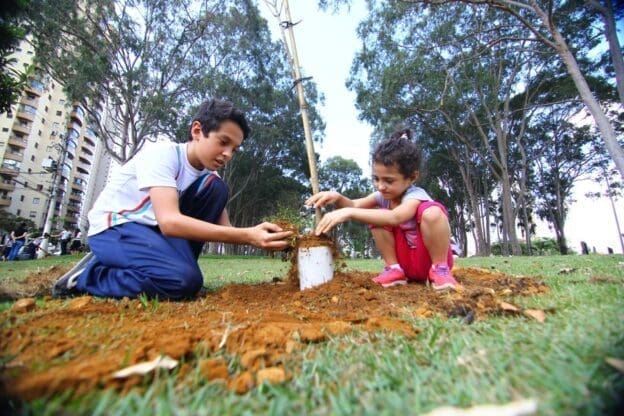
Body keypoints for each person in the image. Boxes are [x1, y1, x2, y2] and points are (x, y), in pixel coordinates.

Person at [52, 99, 293, 299]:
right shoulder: (163, 154)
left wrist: (264, 237)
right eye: (223, 142)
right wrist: (248, 235)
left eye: (235, 149)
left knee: (216, 188)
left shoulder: (210, 176)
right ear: (197, 131)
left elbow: (226, 230)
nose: (228, 154)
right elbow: (169, 222)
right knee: (182, 283)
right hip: (116, 227)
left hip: (153, 233)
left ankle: (172, 268)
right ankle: (88, 276)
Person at [305, 128, 458, 290]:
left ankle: (440, 270)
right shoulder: (382, 196)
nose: (380, 186)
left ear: (412, 177)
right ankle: (394, 270)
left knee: (432, 212)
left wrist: (348, 213)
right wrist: (338, 198)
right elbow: (354, 205)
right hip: (406, 263)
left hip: (427, 260)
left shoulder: (416, 196)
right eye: (376, 179)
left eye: (389, 181)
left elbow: (395, 217)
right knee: (377, 216)